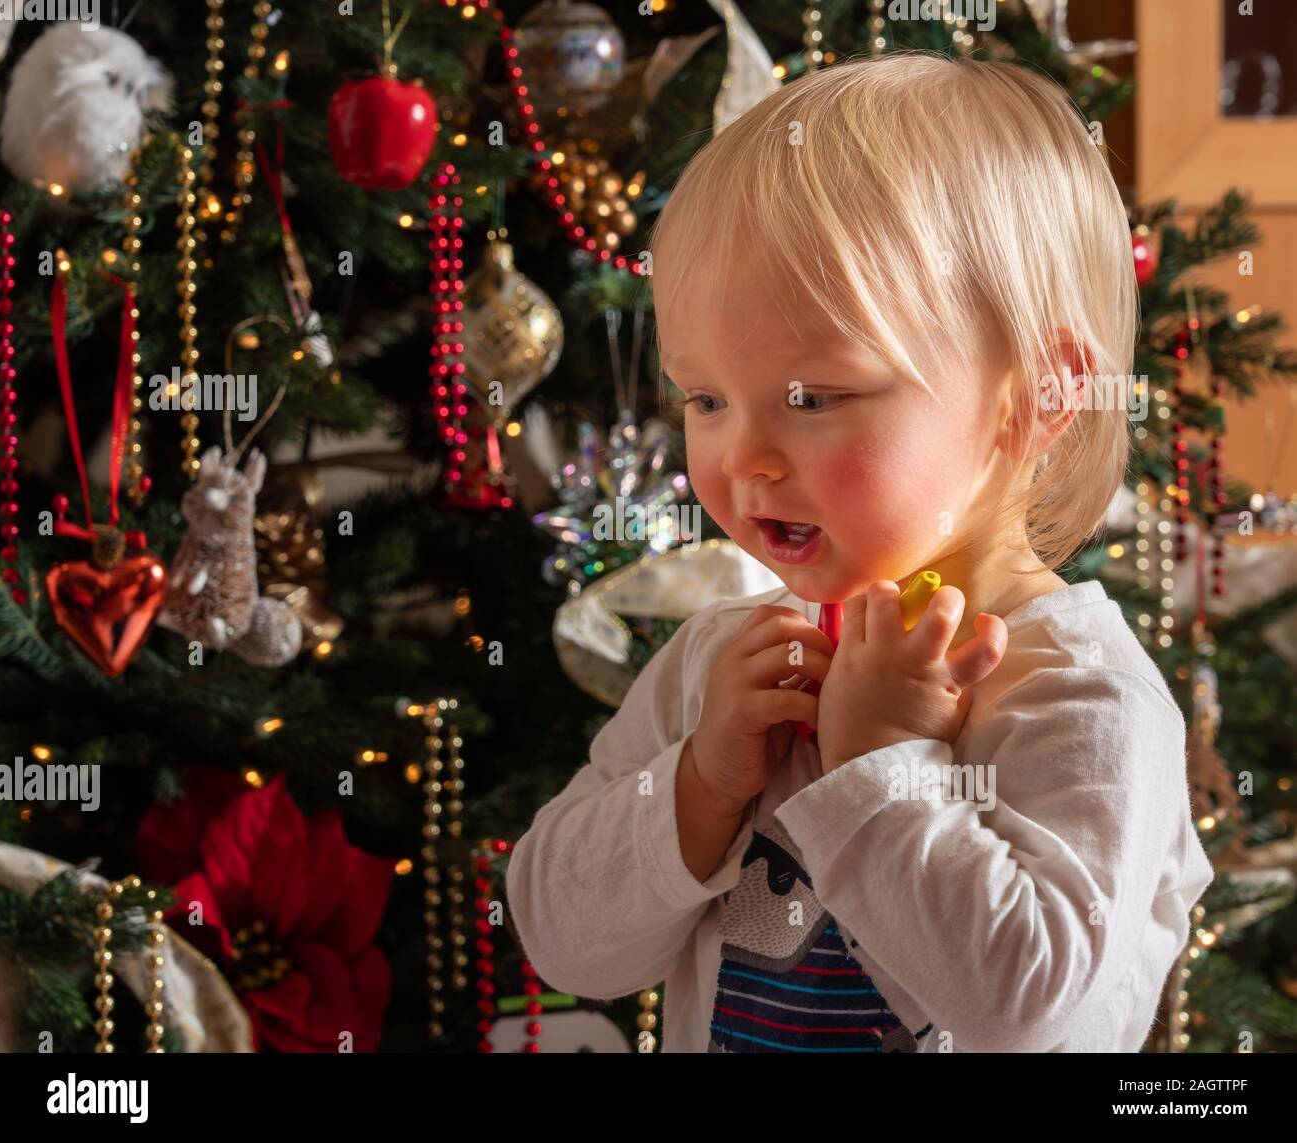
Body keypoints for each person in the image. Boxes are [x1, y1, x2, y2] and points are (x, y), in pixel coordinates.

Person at [505, 52, 1214, 1053]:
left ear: (1035, 397)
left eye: (812, 397)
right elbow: (560, 940)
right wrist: (702, 784)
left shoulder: (1082, 699)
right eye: (704, 399)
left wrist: (884, 762)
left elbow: (1027, 1011)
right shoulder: (723, 663)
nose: (740, 457)